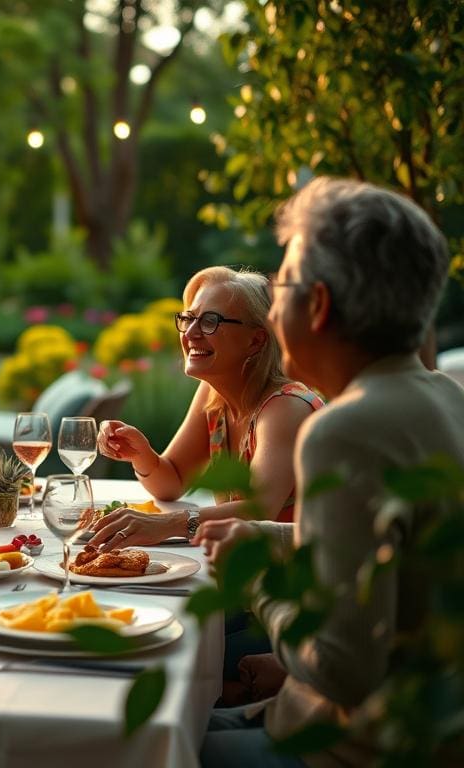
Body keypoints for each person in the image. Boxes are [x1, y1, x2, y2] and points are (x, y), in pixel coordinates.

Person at [197, 177, 464, 767]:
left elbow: (342, 669)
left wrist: (260, 582)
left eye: (280, 285)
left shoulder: (345, 429)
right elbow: (391, 548)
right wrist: (265, 536)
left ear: (316, 305)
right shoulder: (446, 398)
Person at [90, 266, 323, 550]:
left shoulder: (286, 406)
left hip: (301, 575)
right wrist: (142, 455)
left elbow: (258, 512)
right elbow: (172, 481)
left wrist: (167, 524)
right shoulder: (214, 394)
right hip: (241, 562)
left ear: (256, 340)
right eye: (188, 318)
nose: (190, 332)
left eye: (210, 321)